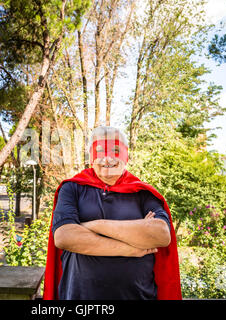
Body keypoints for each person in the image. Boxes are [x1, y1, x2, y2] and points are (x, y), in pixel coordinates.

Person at [43, 126, 181, 300]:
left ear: (126, 155)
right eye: (99, 150)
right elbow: (64, 237)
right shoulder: (72, 188)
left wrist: (94, 225)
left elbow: (160, 235)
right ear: (91, 157)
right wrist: (131, 248)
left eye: (115, 150)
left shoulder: (142, 192)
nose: (107, 158)